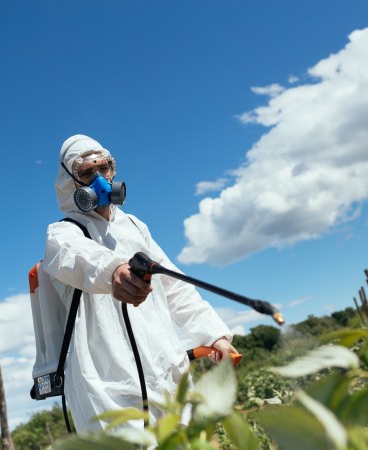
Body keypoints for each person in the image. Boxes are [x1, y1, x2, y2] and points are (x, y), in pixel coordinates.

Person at [43, 134, 236, 432]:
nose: (99, 179)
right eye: (86, 173)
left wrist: (213, 335)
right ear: (71, 182)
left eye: (104, 169)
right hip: (109, 389)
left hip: (167, 374)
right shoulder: (62, 234)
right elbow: (79, 258)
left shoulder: (134, 226)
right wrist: (115, 271)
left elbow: (175, 286)